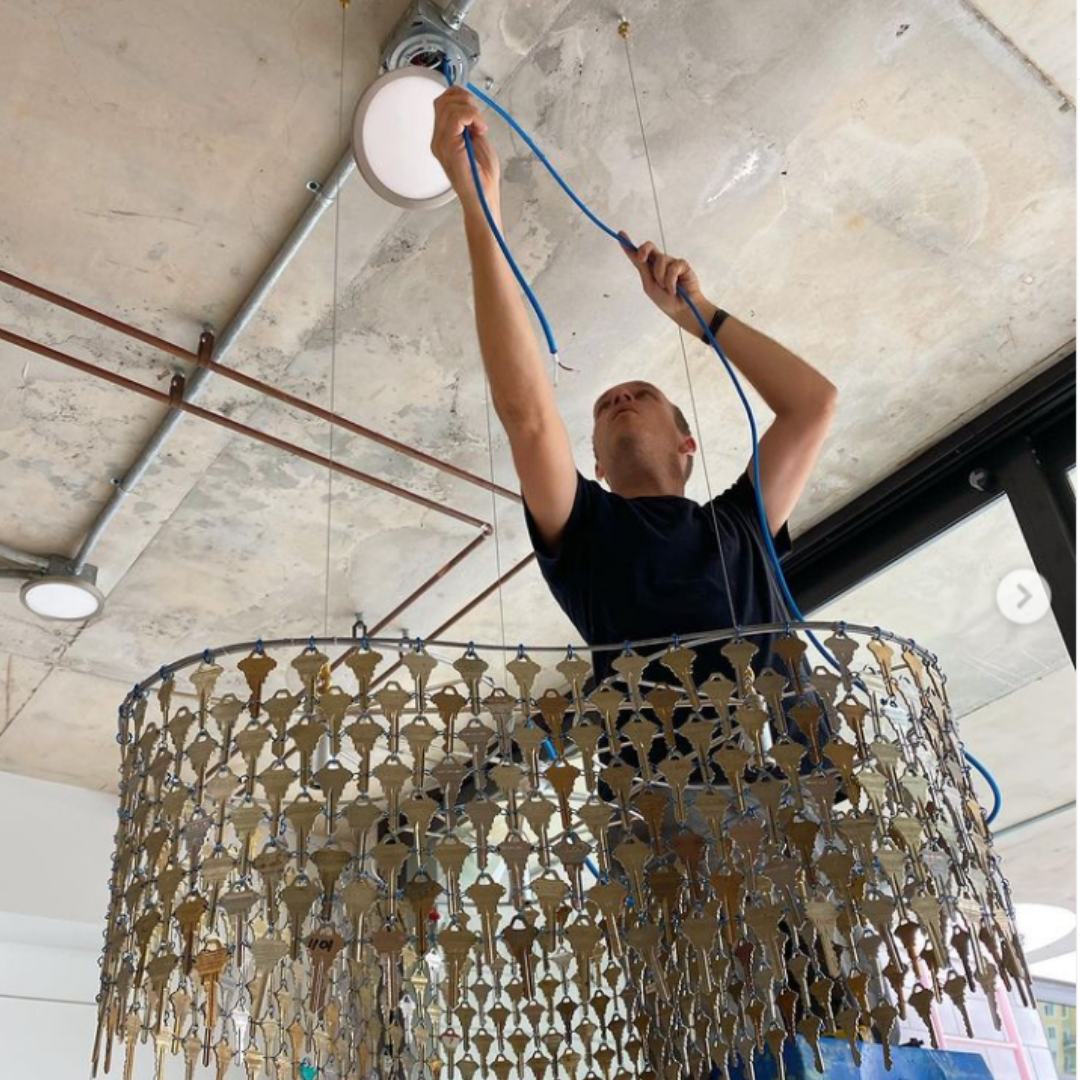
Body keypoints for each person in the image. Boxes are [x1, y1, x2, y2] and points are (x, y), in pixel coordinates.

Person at [431, 87, 839, 704]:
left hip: (794, 786)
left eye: (639, 394)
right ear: (594, 465)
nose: (619, 396)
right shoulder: (583, 528)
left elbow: (814, 403)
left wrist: (699, 313)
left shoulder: (742, 525)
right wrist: (478, 206)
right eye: (605, 406)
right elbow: (529, 417)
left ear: (687, 443)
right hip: (665, 796)